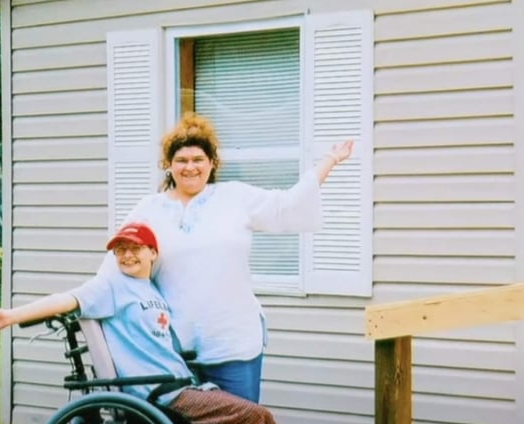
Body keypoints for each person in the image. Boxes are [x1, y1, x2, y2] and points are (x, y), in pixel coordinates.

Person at [0, 222, 304, 424]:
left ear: (152, 254)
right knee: (253, 418)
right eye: (120, 251)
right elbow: (66, 299)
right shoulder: (110, 286)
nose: (127, 256)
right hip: (160, 393)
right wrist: (11, 316)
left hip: (180, 385)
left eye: (135, 249)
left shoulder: (153, 291)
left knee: (258, 421)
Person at [102, 112, 354, 403]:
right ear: (168, 165)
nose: (190, 167)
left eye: (198, 159)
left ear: (212, 163)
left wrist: (329, 161)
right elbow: (116, 262)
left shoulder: (235, 197)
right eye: (181, 160)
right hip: (174, 349)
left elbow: (287, 206)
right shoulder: (149, 208)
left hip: (233, 343)